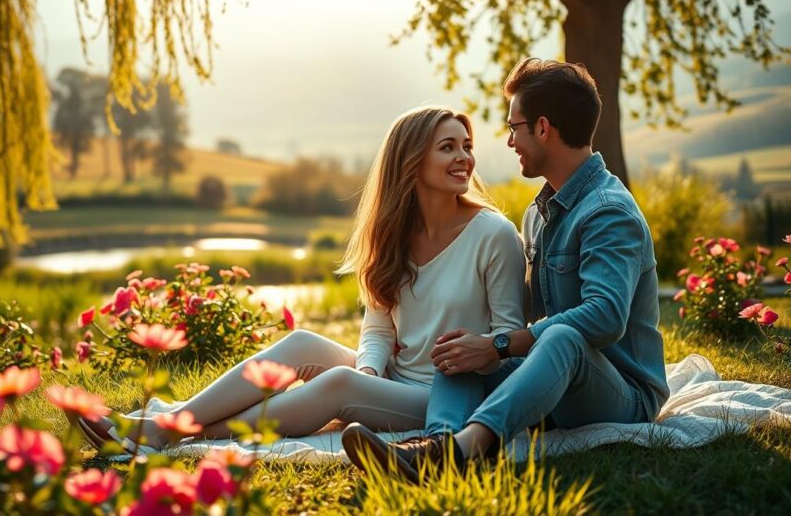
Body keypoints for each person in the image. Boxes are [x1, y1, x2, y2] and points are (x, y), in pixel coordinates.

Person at [78, 106, 527, 451]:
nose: (464, 158)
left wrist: (473, 352)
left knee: (338, 385)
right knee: (301, 343)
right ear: (411, 161)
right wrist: (369, 371)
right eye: (448, 147)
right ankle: (171, 423)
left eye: (466, 146)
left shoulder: (494, 234)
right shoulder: (394, 234)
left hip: (446, 395)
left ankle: (169, 431)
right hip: (392, 377)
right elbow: (377, 329)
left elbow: (507, 343)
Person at [341, 59, 670, 483]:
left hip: (621, 395)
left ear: (543, 128)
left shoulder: (608, 211)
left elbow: (605, 316)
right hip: (549, 379)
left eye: (514, 127)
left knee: (561, 336)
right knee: (460, 352)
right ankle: (433, 447)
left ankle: (467, 448)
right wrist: (477, 347)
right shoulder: (540, 212)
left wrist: (498, 344)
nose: (510, 140)